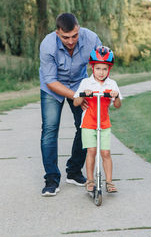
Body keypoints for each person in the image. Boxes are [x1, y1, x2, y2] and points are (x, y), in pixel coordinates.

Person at [39, 13, 102, 196]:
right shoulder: (48, 45)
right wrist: (77, 96)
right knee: (50, 129)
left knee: (86, 127)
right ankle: (51, 179)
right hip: (53, 88)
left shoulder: (91, 39)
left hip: (79, 83)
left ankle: (74, 172)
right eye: (65, 37)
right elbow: (50, 81)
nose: (71, 41)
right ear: (57, 33)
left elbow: (100, 66)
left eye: (74, 35)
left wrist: (94, 89)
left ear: (78, 28)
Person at [73, 46, 122, 193]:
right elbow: (76, 102)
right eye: (98, 68)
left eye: (105, 69)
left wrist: (116, 96)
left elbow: (118, 105)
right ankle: (90, 180)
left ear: (109, 69)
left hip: (104, 123)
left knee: (106, 153)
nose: (101, 72)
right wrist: (83, 95)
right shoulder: (86, 83)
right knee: (92, 151)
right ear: (92, 67)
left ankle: (109, 182)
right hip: (89, 123)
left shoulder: (112, 84)